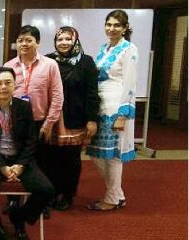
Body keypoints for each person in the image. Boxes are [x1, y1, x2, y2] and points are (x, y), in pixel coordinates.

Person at [0, 67, 54, 240]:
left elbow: (31, 140)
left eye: (8, 82)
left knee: (46, 190)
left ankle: (19, 216)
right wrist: (2, 167)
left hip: (20, 159)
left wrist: (20, 165)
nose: (3, 87)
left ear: (14, 85)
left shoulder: (24, 107)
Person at [3, 25, 63, 218]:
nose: (24, 44)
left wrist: (49, 123)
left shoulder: (50, 65)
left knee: (41, 163)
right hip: (14, 123)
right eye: (20, 40)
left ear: (37, 42)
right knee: (14, 160)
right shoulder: (9, 66)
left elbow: (57, 95)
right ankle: (13, 200)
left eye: (28, 40)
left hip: (40, 122)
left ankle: (40, 203)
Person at [86, 9, 138, 211]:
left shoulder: (129, 49)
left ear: (125, 28)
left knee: (113, 155)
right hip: (100, 106)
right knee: (97, 153)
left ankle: (111, 199)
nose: (112, 28)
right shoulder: (105, 48)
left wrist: (123, 114)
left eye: (117, 25)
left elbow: (130, 83)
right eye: (109, 24)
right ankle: (118, 194)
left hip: (116, 107)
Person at [45, 26, 100, 211]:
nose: (63, 43)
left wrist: (92, 119)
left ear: (75, 40)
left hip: (75, 118)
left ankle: (67, 195)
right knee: (51, 158)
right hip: (52, 117)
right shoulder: (48, 60)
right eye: (60, 39)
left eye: (68, 39)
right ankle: (52, 192)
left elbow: (92, 94)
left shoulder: (86, 62)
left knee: (71, 160)